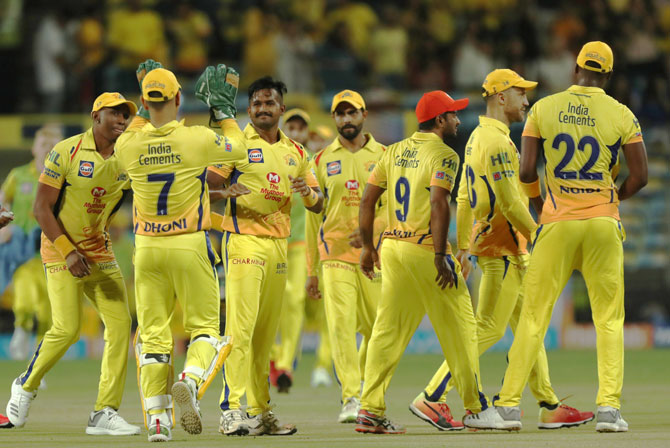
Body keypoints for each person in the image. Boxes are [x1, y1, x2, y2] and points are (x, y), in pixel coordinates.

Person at [411, 69, 593, 431]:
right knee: (489, 329)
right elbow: (510, 202)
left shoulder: (478, 138)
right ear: (500, 97)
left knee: (531, 326)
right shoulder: (497, 143)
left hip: (498, 246)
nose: (527, 100)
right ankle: (432, 396)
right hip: (504, 248)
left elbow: (463, 196)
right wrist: (540, 233)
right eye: (520, 93)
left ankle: (548, 404)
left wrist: (463, 246)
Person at [494, 41, 648, 433]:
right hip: (602, 223)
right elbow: (641, 176)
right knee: (609, 320)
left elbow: (526, 170)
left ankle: (509, 408)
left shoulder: (544, 108)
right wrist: (614, 197)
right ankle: (609, 411)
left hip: (557, 222)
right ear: (608, 76)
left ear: (575, 70)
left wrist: (538, 204)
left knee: (533, 316)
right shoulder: (622, 114)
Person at [355, 91, 510, 434]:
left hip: (392, 248)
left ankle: (369, 409)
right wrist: (441, 255)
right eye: (453, 114)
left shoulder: (392, 151)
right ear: (439, 120)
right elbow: (439, 204)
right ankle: (476, 408)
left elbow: (367, 201)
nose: (458, 120)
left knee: (387, 332)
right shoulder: (444, 154)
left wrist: (368, 248)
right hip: (425, 250)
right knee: (462, 329)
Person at [115, 63, 241, 442]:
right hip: (189, 243)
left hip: (147, 248)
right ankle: (190, 379)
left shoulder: (128, 144)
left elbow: (135, 129)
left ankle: (157, 422)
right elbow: (240, 149)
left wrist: (141, 105)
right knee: (205, 329)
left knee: (153, 337)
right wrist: (224, 113)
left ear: (142, 103)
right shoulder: (196, 138)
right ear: (178, 99)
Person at [5, 92, 140, 436]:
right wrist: (67, 250)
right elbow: (40, 208)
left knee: (121, 325)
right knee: (67, 329)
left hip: (99, 251)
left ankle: (103, 412)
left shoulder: (128, 158)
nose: (123, 121)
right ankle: (25, 385)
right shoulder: (66, 152)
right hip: (58, 249)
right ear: (96, 116)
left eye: (127, 116)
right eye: (116, 114)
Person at [203, 72, 323, 436]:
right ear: (249, 108)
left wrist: (307, 192)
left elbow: (318, 204)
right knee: (240, 329)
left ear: (281, 108)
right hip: (243, 241)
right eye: (256, 103)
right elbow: (206, 184)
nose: (262, 108)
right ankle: (231, 409)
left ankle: (259, 410)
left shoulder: (297, 153)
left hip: (279, 246)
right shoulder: (236, 143)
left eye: (269, 102)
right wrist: (225, 193)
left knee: (265, 335)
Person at [305, 90, 386, 423]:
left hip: (374, 257)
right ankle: (352, 396)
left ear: (364, 116)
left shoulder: (384, 155)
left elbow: (396, 207)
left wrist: (372, 229)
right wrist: (311, 269)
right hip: (334, 255)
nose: (346, 119)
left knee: (378, 329)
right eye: (340, 114)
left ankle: (366, 387)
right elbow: (313, 220)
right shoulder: (322, 160)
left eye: (352, 113)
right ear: (334, 118)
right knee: (340, 327)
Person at [269, 108, 332, 393]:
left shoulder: (313, 163)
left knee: (310, 304)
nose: (295, 132)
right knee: (283, 300)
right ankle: (279, 360)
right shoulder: (276, 156)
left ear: (307, 132)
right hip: (280, 240)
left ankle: (305, 365)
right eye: (290, 127)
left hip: (311, 243)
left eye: (300, 128)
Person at [2, 126, 62, 361]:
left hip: (55, 253)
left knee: (48, 311)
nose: (48, 149)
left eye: (53, 145)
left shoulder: (64, 178)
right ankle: (21, 329)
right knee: (25, 293)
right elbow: (2, 202)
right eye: (43, 144)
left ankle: (39, 361)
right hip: (26, 254)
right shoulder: (18, 176)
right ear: (34, 148)